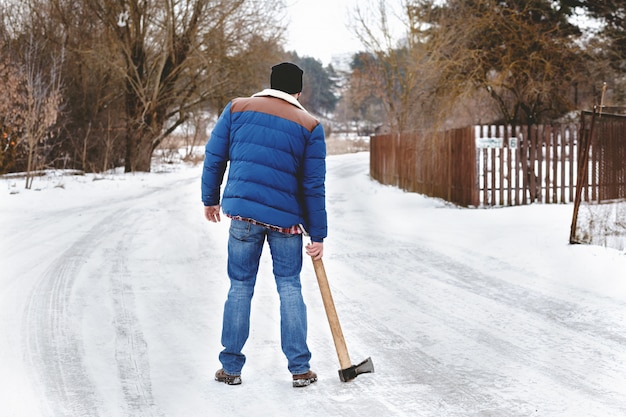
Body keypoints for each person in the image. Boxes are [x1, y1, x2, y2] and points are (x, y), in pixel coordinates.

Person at [201, 62, 327, 388]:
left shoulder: (237, 108)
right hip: (286, 223)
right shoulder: (310, 125)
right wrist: (318, 233)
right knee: (289, 286)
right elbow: (313, 185)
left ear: (269, 84)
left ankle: (230, 368)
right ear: (298, 91)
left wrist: (210, 199)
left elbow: (215, 157)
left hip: (243, 216)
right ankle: (300, 369)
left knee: (240, 285)